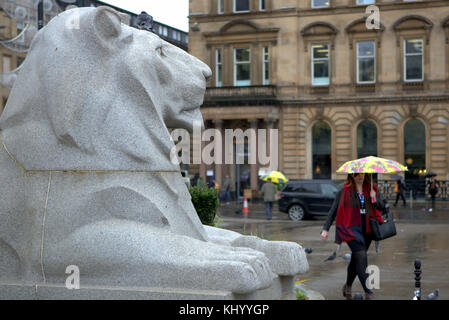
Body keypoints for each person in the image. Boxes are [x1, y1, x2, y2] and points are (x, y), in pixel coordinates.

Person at [320, 173, 385, 300]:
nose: (359, 176)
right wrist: (325, 229)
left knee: (356, 259)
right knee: (361, 256)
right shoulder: (344, 190)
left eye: (361, 173)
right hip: (350, 227)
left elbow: (383, 207)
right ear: (351, 176)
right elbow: (333, 210)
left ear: (365, 174)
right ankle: (368, 292)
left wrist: (374, 198)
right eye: (356, 174)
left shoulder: (372, 188)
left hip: (367, 228)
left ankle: (348, 285)